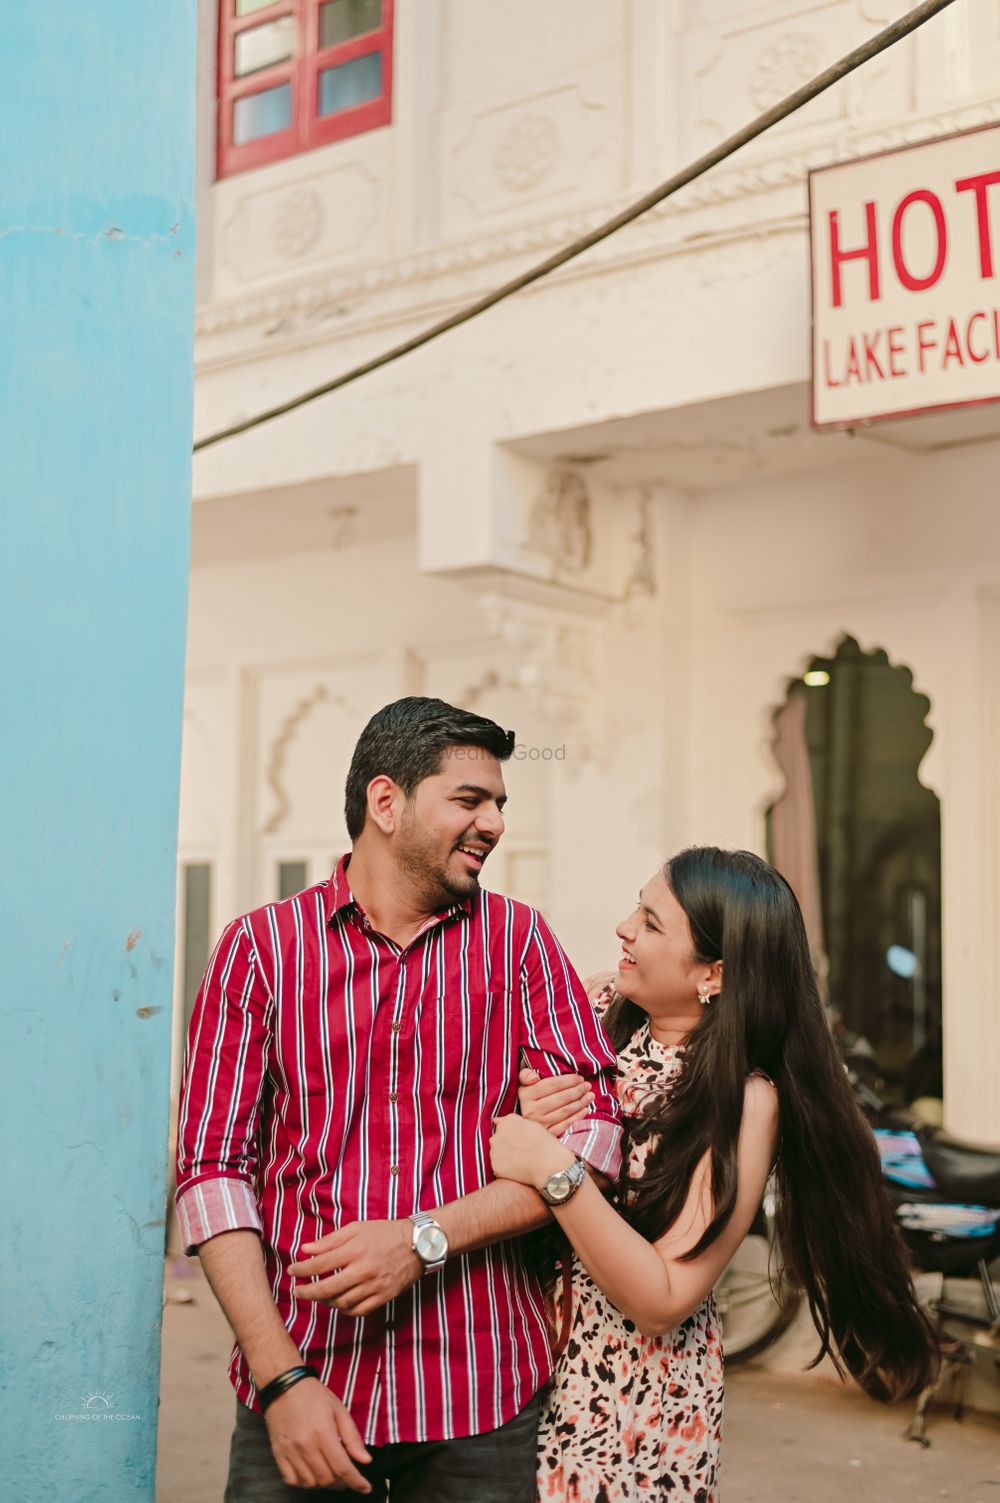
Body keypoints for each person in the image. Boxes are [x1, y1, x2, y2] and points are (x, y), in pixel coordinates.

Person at [175, 697, 622, 1502]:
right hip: (306, 1387)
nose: (493, 822)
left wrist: (424, 1236)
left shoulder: (521, 944)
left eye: (499, 804)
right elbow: (211, 1171)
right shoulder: (261, 949)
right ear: (386, 802)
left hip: (480, 1397)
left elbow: (597, 1144)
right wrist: (282, 1382)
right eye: (469, 799)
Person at [490, 846, 939, 1503]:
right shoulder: (595, 1012)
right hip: (526, 1376)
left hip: (635, 1417)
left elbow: (666, 1295)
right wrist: (527, 1110)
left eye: (650, 921)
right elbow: (495, 1131)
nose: (624, 927)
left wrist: (554, 1168)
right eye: (635, 908)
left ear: (715, 973)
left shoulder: (744, 1101)